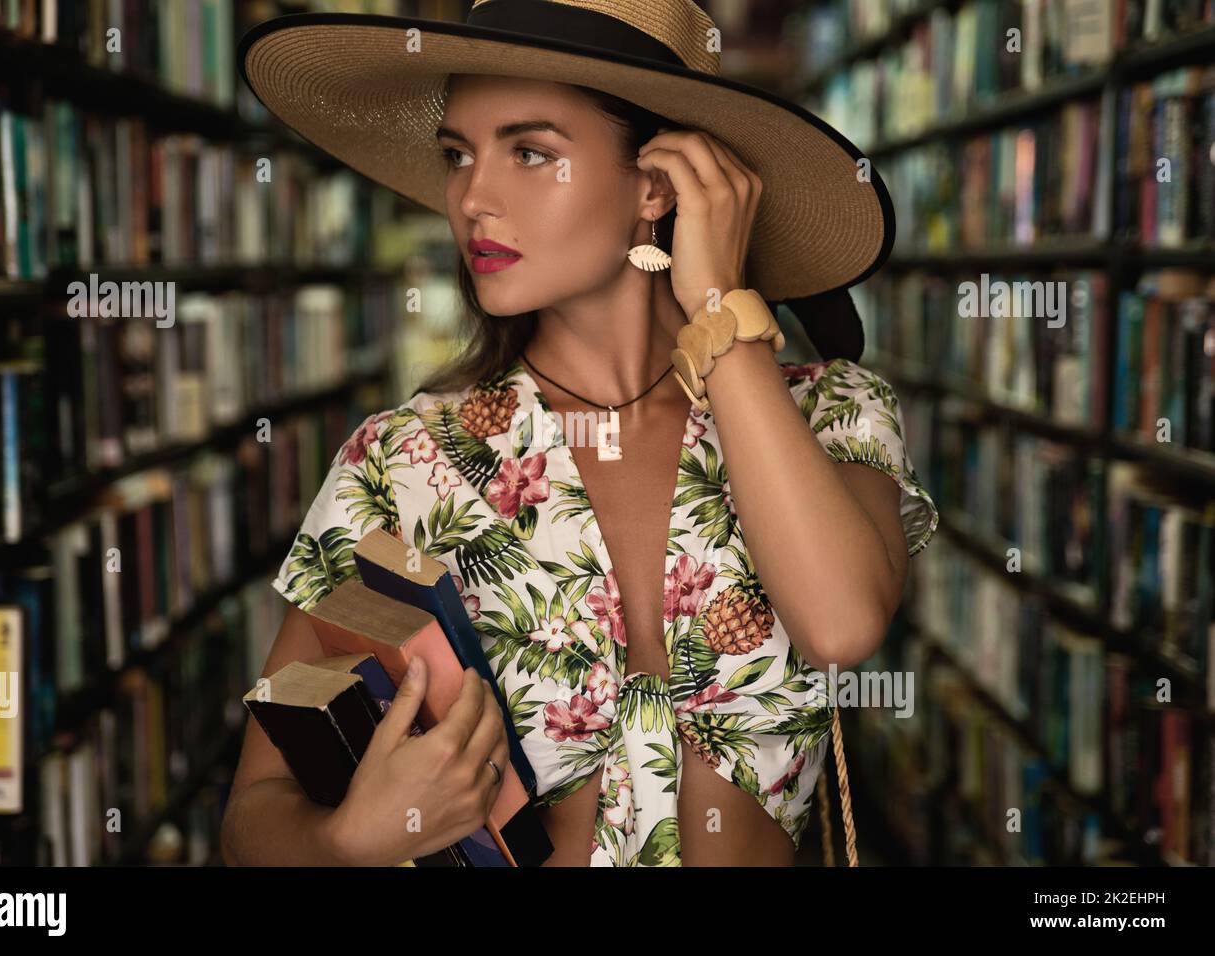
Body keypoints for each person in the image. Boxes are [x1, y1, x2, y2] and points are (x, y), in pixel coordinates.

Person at [221, 0, 938, 868]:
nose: (472, 198)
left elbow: (841, 626)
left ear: (657, 185)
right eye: (458, 155)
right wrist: (348, 839)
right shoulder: (402, 462)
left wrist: (718, 309)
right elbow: (254, 814)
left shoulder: (831, 412)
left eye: (530, 152)